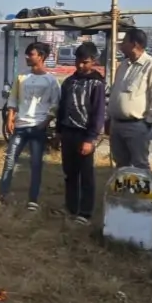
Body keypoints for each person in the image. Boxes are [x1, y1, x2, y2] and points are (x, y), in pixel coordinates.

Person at [0, 42, 61, 211]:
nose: (27, 57)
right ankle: (2, 196)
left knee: (35, 164)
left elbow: (55, 105)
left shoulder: (51, 81)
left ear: (41, 57)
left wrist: (45, 123)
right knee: (9, 161)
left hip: (38, 127)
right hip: (20, 126)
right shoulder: (21, 77)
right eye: (27, 54)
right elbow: (13, 100)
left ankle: (33, 200)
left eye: (31, 54)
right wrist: (10, 118)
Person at [54, 42, 106, 226]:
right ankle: (71, 207)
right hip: (68, 132)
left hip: (85, 135)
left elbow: (99, 113)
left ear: (93, 61)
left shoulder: (97, 83)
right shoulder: (69, 81)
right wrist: (58, 131)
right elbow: (62, 108)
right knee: (70, 172)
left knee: (86, 174)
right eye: (78, 61)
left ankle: (85, 211)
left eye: (85, 62)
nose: (80, 65)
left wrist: (91, 139)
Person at [108, 28, 152, 169]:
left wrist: (148, 122)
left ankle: (142, 191)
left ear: (134, 44)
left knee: (140, 164)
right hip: (117, 124)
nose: (121, 45)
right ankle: (124, 192)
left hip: (137, 125)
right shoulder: (123, 65)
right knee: (121, 164)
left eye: (124, 41)